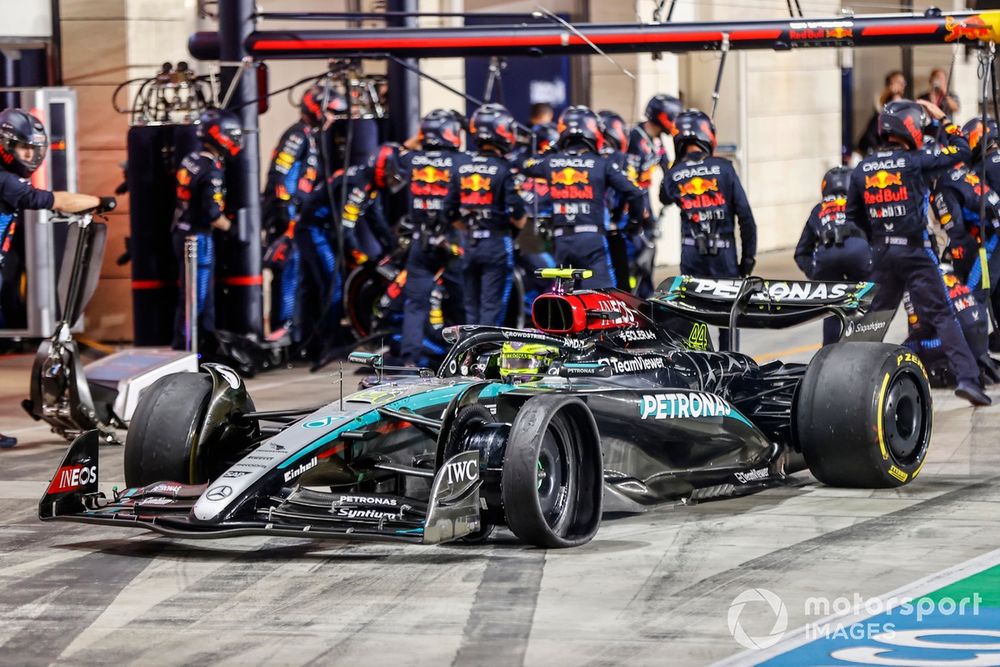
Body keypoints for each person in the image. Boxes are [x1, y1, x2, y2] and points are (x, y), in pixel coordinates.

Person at [845, 98, 991, 406]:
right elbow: (962, 151)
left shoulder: (862, 168)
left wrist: (879, 238)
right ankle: (968, 380)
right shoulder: (916, 160)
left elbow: (853, 217)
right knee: (942, 315)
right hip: (916, 253)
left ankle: (846, 379)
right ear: (910, 125)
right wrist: (942, 120)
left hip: (882, 253)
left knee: (873, 318)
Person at [0, 108, 110, 448]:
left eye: (35, 149)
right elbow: (46, 200)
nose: (31, 156)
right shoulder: (5, 179)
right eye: (24, 149)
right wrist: (98, 200)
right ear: (5, 145)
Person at [522, 105, 647, 290]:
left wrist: (555, 146)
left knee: (567, 298)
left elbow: (527, 164)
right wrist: (634, 223)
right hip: (592, 240)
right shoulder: (601, 164)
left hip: (561, 240)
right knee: (603, 295)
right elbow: (635, 192)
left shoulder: (551, 162)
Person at [660, 109, 756, 350]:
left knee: (694, 316)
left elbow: (664, 196)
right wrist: (748, 259)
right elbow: (745, 217)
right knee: (728, 319)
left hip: (692, 256)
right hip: (724, 257)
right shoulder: (725, 168)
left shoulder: (676, 173)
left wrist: (677, 164)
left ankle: (702, 367)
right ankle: (731, 364)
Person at [296, 142, 402, 361]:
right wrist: (362, 258)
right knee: (332, 286)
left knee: (321, 286)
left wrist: (393, 249)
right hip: (313, 229)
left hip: (325, 230)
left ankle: (313, 339)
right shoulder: (358, 185)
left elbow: (377, 220)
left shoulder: (370, 185)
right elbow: (346, 229)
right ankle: (328, 343)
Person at [261, 80, 345, 339]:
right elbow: (279, 176)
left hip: (300, 219)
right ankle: (283, 330)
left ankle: (300, 334)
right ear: (316, 108)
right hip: (287, 219)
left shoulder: (311, 137)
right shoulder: (297, 135)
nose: (332, 117)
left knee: (303, 277)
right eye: (330, 111)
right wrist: (287, 217)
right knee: (288, 273)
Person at [400, 110, 469, 366]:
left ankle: (409, 363)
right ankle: (466, 358)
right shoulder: (462, 161)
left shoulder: (412, 160)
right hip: (454, 239)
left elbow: (399, 152)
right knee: (463, 302)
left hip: (421, 240)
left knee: (415, 305)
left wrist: (420, 137)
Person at [171, 108, 243, 350]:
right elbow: (212, 214)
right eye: (232, 135)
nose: (236, 140)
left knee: (192, 297)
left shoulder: (190, 159)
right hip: (197, 238)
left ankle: (195, 348)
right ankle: (189, 350)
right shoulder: (212, 171)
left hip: (180, 231)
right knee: (197, 299)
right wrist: (233, 228)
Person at [461, 104, 526, 326]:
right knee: (491, 308)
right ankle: (485, 357)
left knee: (470, 308)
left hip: (468, 243)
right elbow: (519, 215)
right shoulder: (504, 169)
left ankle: (466, 358)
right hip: (496, 243)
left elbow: (449, 211)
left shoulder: (462, 167)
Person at [794, 166, 872, 345]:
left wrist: (815, 273)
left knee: (831, 310)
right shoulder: (859, 204)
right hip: (859, 255)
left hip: (826, 259)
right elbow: (875, 236)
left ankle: (828, 355)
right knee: (864, 303)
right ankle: (864, 348)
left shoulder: (818, 209)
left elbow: (801, 252)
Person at [858, 71, 906, 156]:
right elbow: (878, 106)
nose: (902, 85)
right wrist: (889, 92)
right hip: (882, 146)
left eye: (903, 82)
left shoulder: (904, 102)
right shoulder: (882, 99)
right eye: (899, 82)